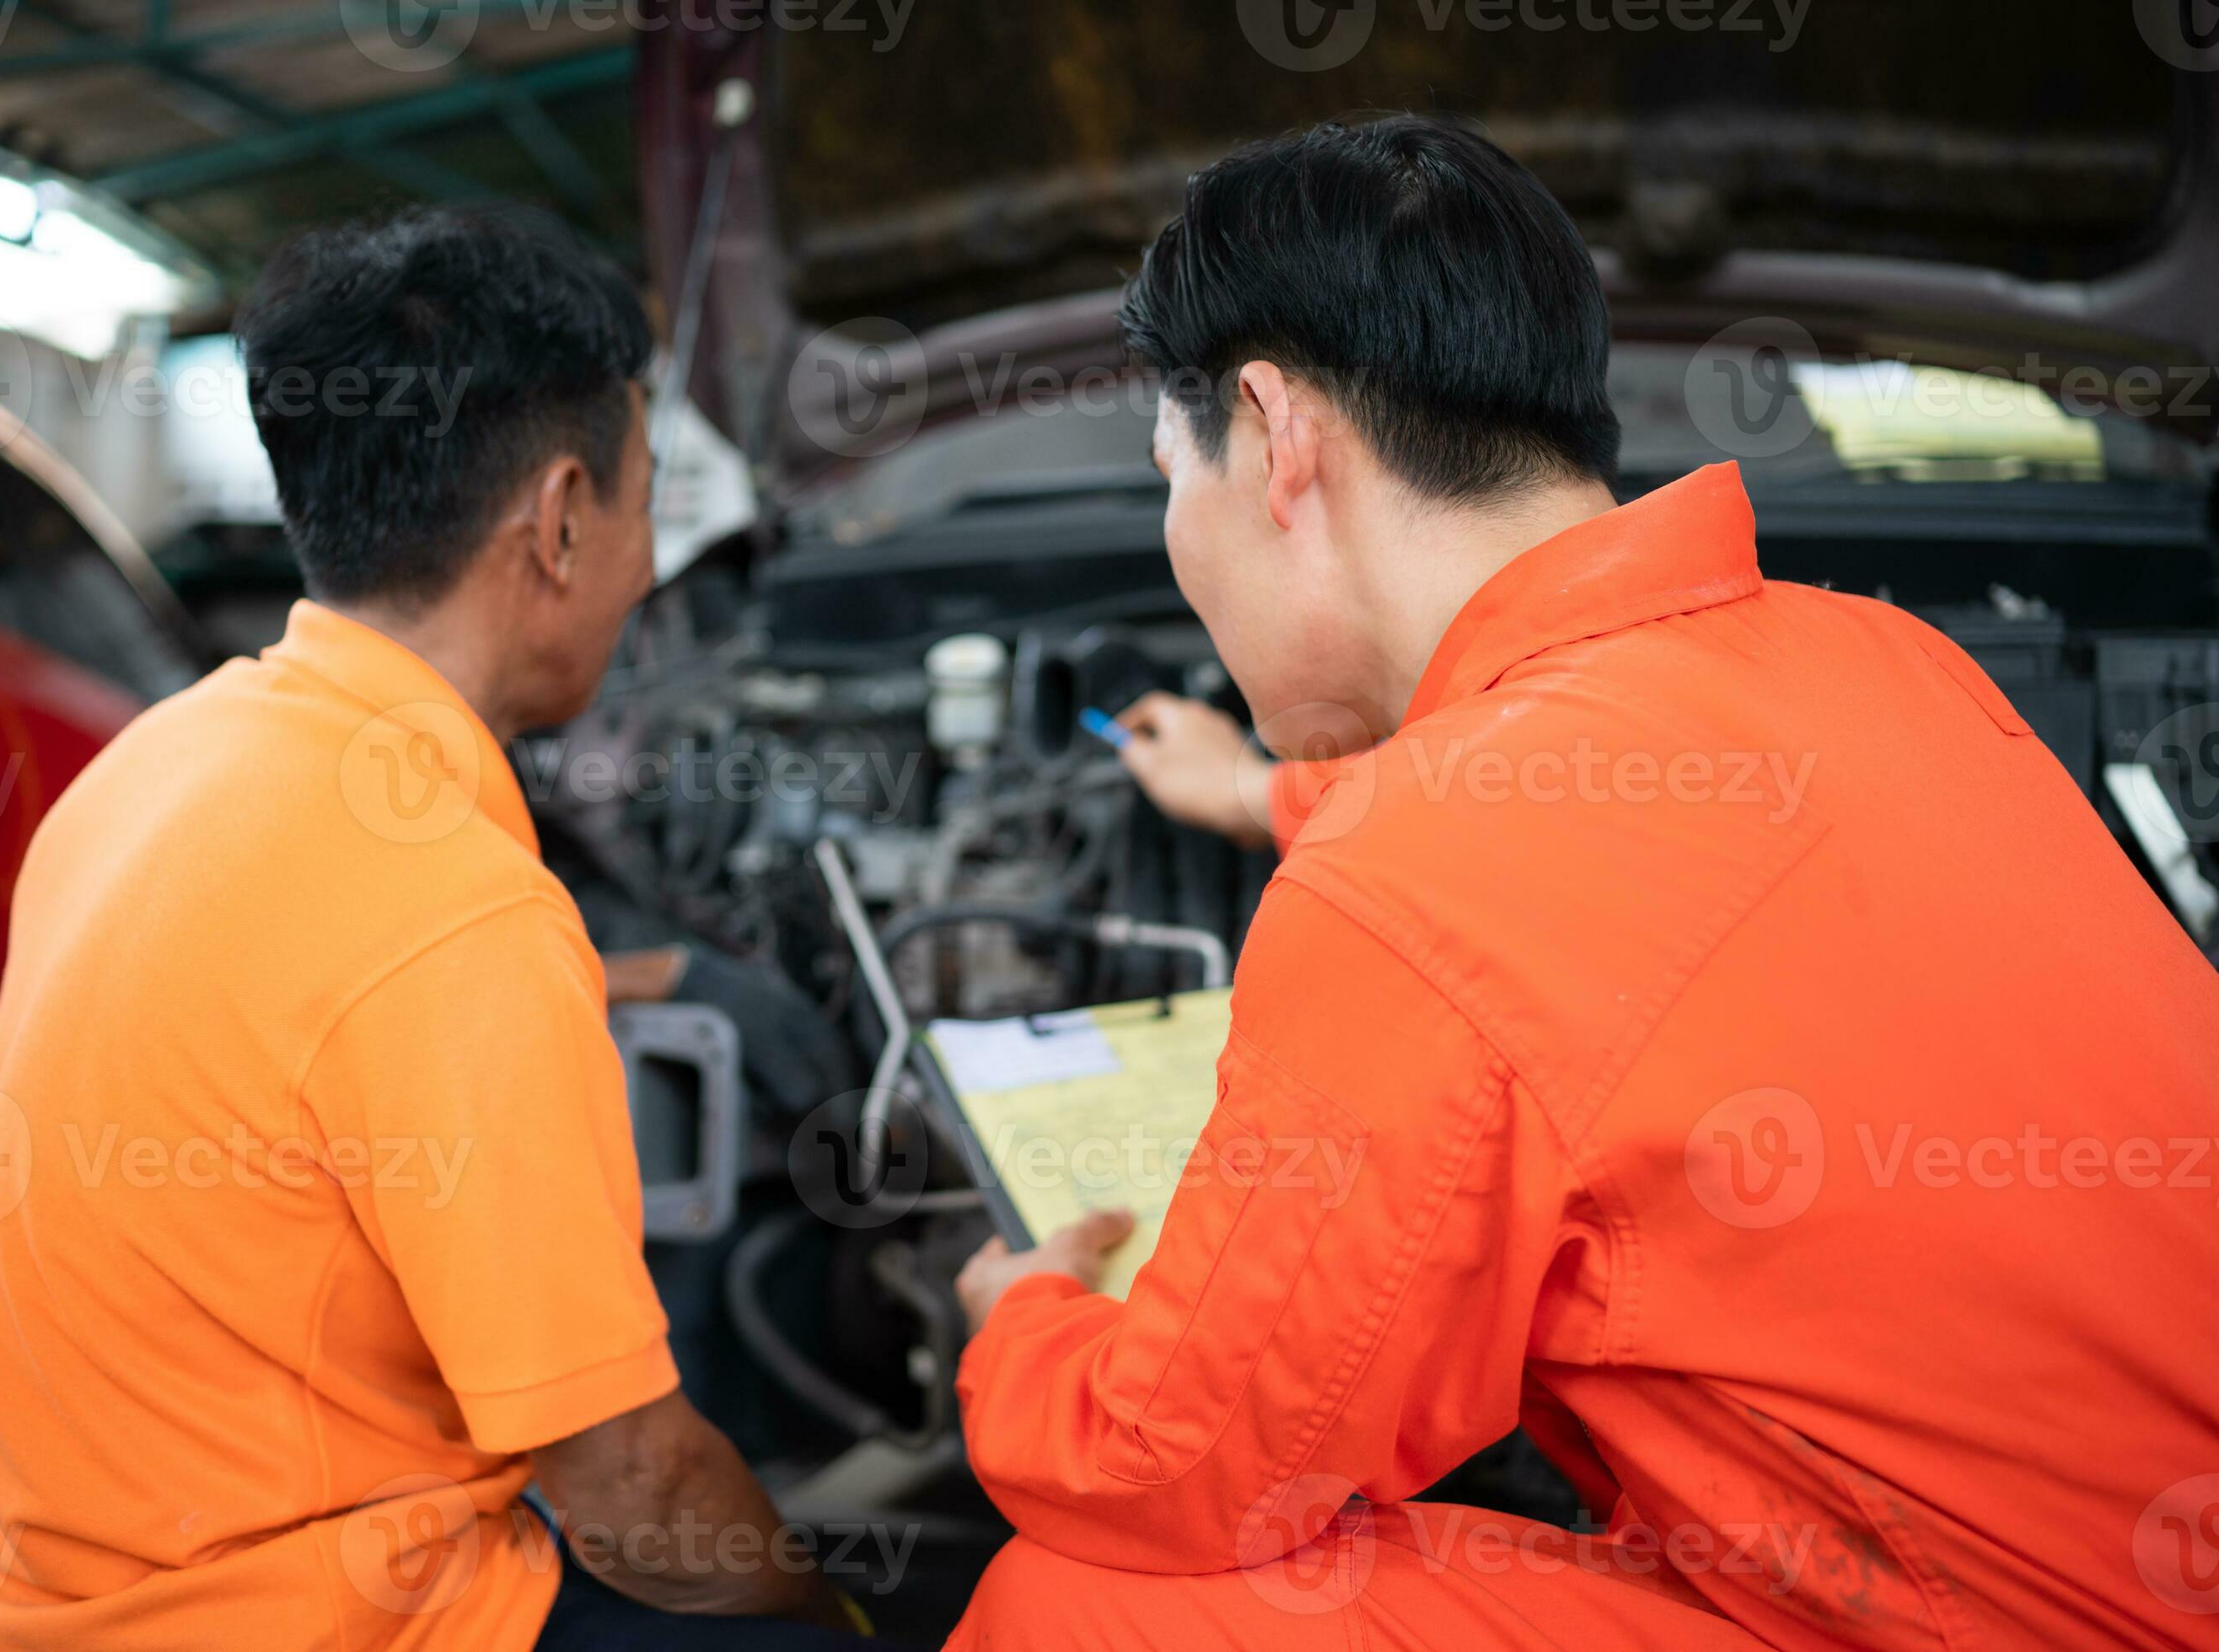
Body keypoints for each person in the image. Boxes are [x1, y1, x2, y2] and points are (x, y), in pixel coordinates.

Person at [948, 117, 2219, 1649]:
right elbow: (1611, 841)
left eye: (1174, 472)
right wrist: (1252, 792)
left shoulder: (1419, 872)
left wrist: (1014, 1322)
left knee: (1072, 1600)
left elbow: (1177, 1467)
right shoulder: (1886, 659)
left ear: (1276, 438)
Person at [0, 206, 874, 1650]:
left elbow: (293, 1024)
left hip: (60, 1595)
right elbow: (633, 1493)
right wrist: (828, 1608)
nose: (646, 570)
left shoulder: (155, 764)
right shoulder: (457, 912)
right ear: (561, 521)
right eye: (646, 508)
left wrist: (648, 971)